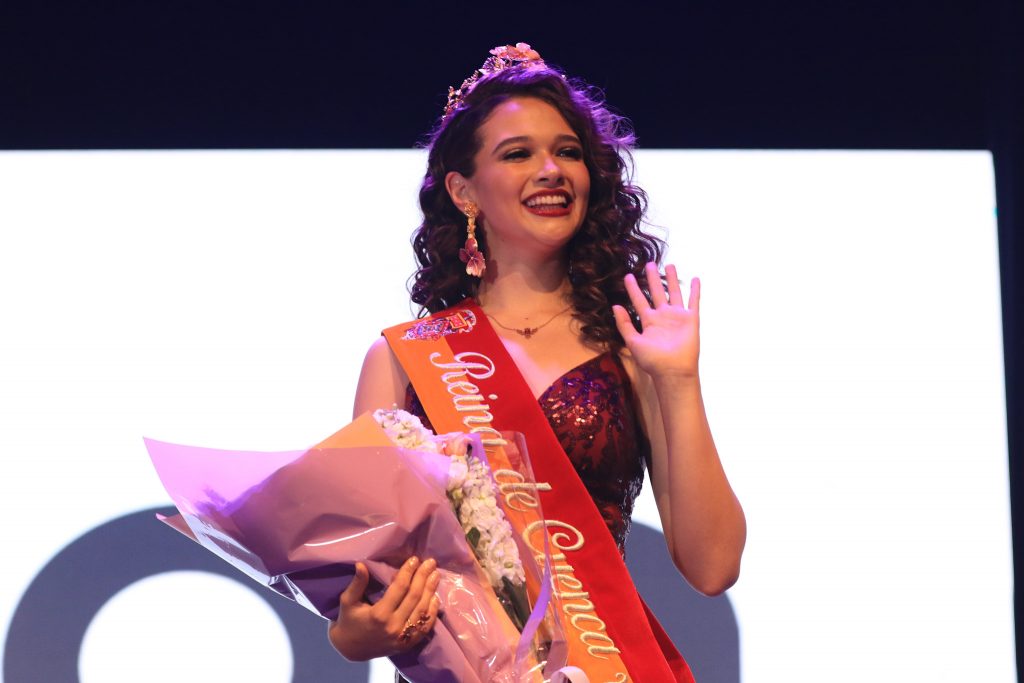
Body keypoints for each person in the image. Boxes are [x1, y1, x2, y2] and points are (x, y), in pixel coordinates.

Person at [328, 43, 746, 679]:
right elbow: (365, 580)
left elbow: (713, 566)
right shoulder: (404, 359)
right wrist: (355, 635)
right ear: (463, 190)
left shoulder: (632, 350)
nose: (551, 170)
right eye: (518, 153)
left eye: (568, 152)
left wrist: (679, 380)